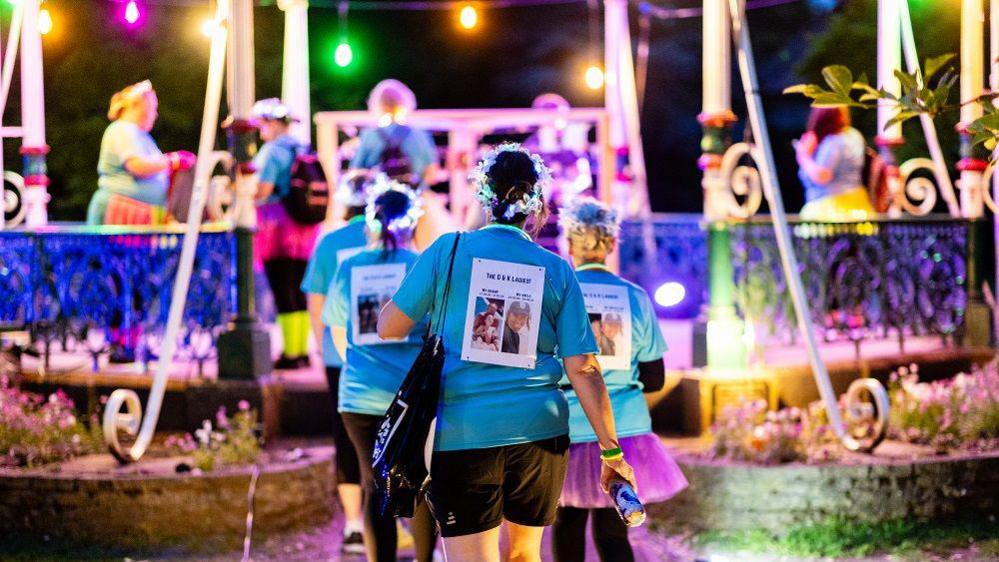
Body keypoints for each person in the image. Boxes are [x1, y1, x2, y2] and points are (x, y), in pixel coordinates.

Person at [377, 144, 636, 562]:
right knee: (524, 556)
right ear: (537, 203)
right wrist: (611, 451)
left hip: (463, 433)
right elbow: (585, 368)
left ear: (484, 196)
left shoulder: (448, 250)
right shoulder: (555, 269)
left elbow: (388, 327)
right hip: (540, 433)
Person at [552, 197, 688, 562]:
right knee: (614, 533)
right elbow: (655, 377)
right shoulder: (635, 297)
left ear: (568, 243)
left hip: (569, 426)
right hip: (625, 430)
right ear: (612, 244)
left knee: (566, 530)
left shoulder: (559, 294)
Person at [324, 179, 438, 562]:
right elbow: (436, 332)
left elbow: (339, 331)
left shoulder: (350, 266)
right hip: (410, 399)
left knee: (375, 487)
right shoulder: (421, 266)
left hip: (358, 395)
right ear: (411, 223)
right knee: (420, 481)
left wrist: (362, 362)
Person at [300, 170, 375, 554]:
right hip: (383, 356)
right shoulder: (388, 241)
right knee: (386, 436)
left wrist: (320, 345)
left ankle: (352, 524)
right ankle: (387, 519)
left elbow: (315, 302)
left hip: (338, 354)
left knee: (344, 434)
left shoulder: (330, 243)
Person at [251, 98, 320, 370]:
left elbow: (263, 190)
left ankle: (290, 354)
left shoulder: (272, 151)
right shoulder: (302, 148)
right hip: (303, 229)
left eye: (263, 124)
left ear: (273, 123)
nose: (260, 130)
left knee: (282, 289)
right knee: (298, 288)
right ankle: (301, 350)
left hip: (278, 227)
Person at [88, 80, 195, 225]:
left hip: (140, 213)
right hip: (121, 214)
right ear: (136, 106)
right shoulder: (121, 129)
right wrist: (173, 161)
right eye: (153, 108)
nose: (155, 114)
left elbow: (157, 171)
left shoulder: (141, 136)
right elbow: (137, 167)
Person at [350, 79, 438, 188]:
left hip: (377, 198)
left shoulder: (369, 135)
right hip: (413, 197)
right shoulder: (420, 134)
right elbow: (432, 175)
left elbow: (354, 172)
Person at [795, 106, 876, 221]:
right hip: (857, 204)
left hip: (832, 210)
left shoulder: (834, 142)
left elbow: (822, 176)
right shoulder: (854, 135)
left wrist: (803, 155)